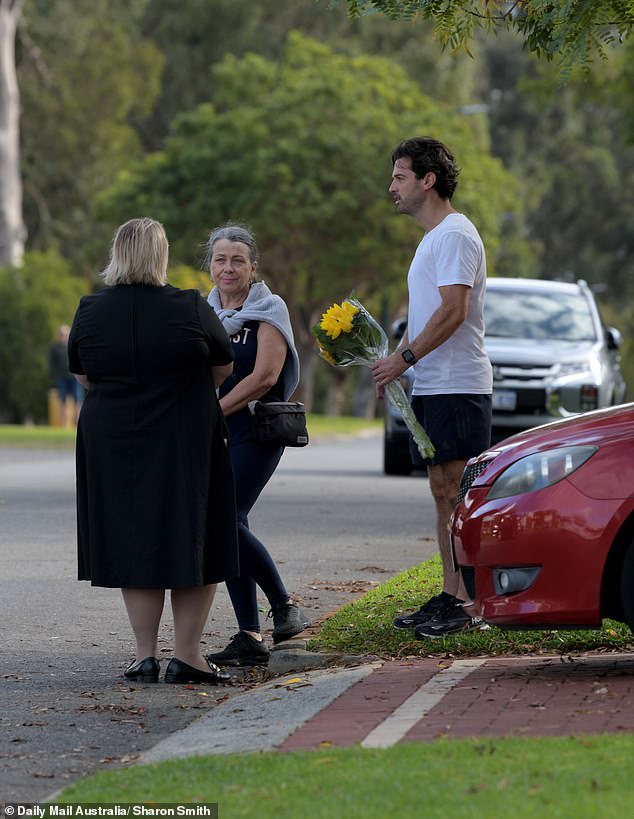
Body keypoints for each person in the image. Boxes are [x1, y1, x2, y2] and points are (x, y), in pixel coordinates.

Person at [68, 217, 239, 684]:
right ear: (160, 256)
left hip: (113, 440)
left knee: (132, 537)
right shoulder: (188, 306)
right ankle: (187, 655)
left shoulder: (90, 309)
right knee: (196, 536)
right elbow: (222, 367)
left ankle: (145, 655)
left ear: (117, 254)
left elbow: (83, 375)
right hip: (184, 435)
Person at [371, 137, 493, 638]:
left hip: (460, 384)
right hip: (433, 385)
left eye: (400, 176)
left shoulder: (456, 235)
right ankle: (451, 593)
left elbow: (454, 310)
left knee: (461, 491)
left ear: (428, 180)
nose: (392, 186)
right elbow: (428, 312)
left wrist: (404, 358)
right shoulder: (432, 239)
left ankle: (472, 604)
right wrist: (396, 367)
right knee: (442, 489)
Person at [204, 223, 311, 667]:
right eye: (220, 260)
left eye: (237, 261)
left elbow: (264, 377)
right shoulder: (204, 312)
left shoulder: (270, 309)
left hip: (255, 430)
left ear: (253, 267)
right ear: (209, 265)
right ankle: (250, 633)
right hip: (215, 431)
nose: (228, 268)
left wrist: (212, 409)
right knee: (231, 522)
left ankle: (285, 606)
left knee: (224, 518)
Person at [48, 324, 84, 426]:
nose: (63, 336)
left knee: (78, 400)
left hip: (75, 378)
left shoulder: (73, 346)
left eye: (65, 334)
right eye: (61, 334)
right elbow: (51, 364)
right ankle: (63, 424)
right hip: (61, 379)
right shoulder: (54, 348)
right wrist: (55, 376)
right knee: (62, 401)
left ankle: (78, 423)